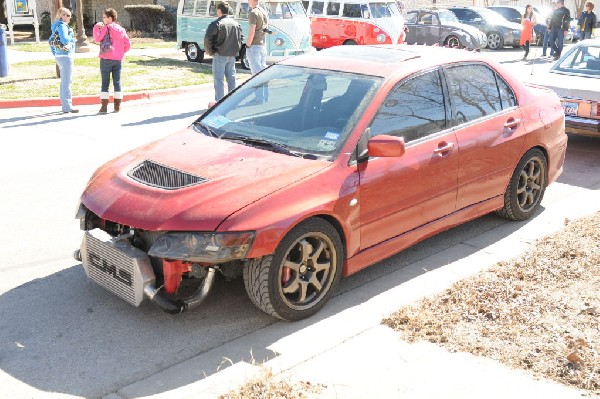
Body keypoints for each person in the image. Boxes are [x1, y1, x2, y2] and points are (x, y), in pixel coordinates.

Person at [93, 8, 131, 113]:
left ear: (110, 18)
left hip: (106, 58)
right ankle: (117, 106)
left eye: (105, 17)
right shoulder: (121, 29)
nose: (103, 19)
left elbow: (97, 39)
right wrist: (121, 52)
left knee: (105, 83)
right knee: (117, 82)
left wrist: (96, 27)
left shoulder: (106, 28)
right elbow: (128, 45)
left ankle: (104, 107)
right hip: (118, 60)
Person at [204, 2, 243, 101]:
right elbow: (241, 38)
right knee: (232, 78)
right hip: (232, 56)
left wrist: (210, 52)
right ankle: (232, 101)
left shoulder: (216, 23)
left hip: (219, 55)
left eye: (217, 10)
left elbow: (208, 39)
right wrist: (236, 52)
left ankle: (219, 102)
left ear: (220, 11)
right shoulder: (236, 24)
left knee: (219, 80)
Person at [49, 7, 78, 113]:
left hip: (59, 56)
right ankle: (67, 106)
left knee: (64, 82)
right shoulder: (63, 26)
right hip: (66, 57)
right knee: (67, 82)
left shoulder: (56, 26)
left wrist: (55, 54)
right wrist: (71, 35)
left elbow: (50, 41)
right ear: (62, 16)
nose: (70, 18)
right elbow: (65, 40)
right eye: (68, 15)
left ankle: (65, 105)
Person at [245, 0, 269, 103]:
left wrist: (247, 45)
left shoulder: (253, 13)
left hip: (254, 46)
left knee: (256, 75)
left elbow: (252, 31)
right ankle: (265, 96)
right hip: (262, 45)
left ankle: (259, 98)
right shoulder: (264, 12)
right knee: (263, 73)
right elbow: (266, 30)